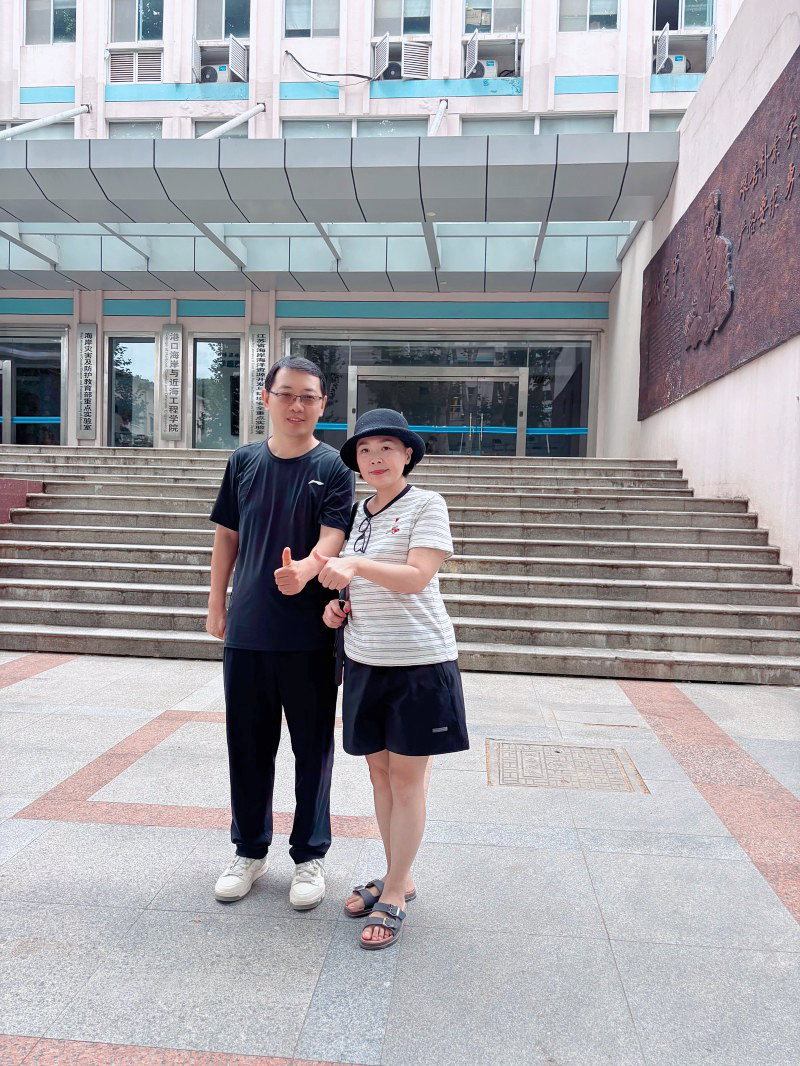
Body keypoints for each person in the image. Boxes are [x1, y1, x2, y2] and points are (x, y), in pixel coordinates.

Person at [316, 409, 469, 949]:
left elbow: (417, 577)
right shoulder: (358, 514)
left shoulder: (427, 504)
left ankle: (397, 890)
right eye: (364, 450)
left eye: (386, 447)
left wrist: (356, 567)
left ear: (407, 454)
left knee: (406, 780)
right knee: (379, 776)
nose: (375, 458)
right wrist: (338, 607)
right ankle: (396, 873)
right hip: (365, 660)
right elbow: (355, 583)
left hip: (418, 663)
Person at [206, 356, 353, 909]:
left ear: (322, 404)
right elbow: (227, 536)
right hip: (248, 630)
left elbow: (334, 535)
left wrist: (307, 571)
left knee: (312, 749)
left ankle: (309, 856)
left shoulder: (334, 467)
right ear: (265, 398)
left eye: (308, 396)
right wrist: (216, 603)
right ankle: (248, 850)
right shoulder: (243, 461)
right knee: (247, 747)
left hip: (309, 634)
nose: (297, 405)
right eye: (287, 394)